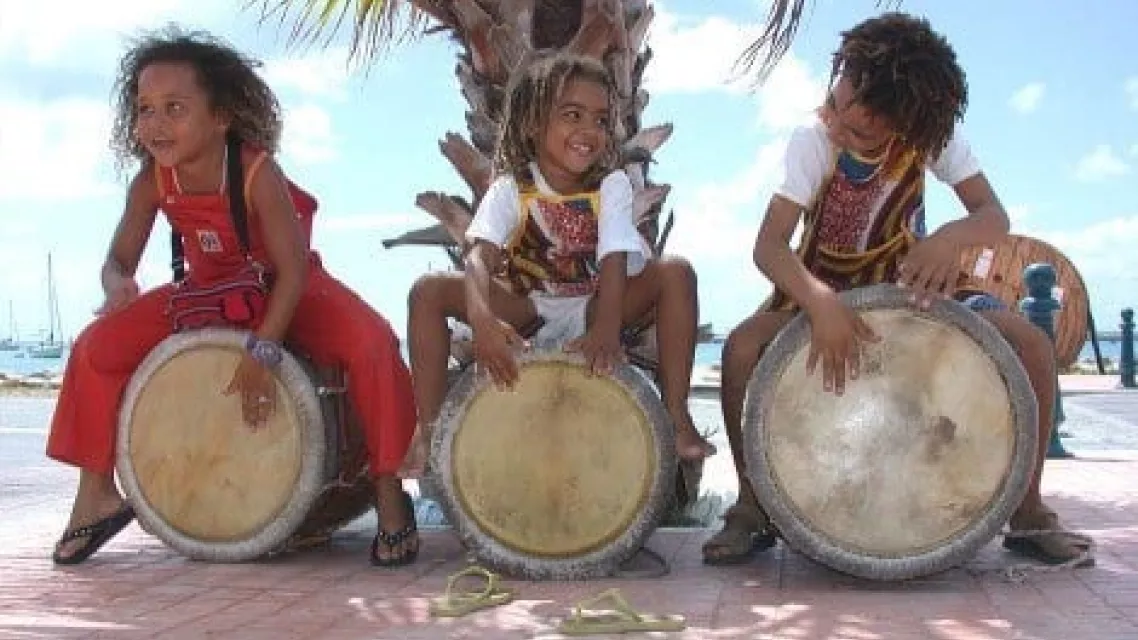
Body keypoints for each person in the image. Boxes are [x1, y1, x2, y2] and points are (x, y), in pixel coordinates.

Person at [702, 12, 1094, 567]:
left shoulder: (932, 138)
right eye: (834, 103)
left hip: (912, 295)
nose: (837, 123)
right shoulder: (814, 141)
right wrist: (819, 302)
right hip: (823, 295)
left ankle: (1027, 511)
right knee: (743, 346)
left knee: (1029, 343)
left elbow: (994, 215)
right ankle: (751, 507)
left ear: (907, 125)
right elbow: (769, 247)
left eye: (858, 128)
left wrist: (952, 239)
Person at [47, 27, 419, 567]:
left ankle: (389, 494)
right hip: (206, 292)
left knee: (373, 342)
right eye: (145, 109)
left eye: (175, 107)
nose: (156, 123)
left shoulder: (256, 172)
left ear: (220, 116)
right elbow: (118, 259)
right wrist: (117, 286)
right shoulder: (153, 180)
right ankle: (96, 495)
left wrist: (262, 351)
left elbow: (292, 274)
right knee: (94, 347)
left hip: (289, 287)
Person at [401, 52, 715, 475]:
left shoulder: (612, 185)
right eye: (573, 115)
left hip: (594, 304)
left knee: (677, 272)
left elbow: (614, 255)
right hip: (527, 307)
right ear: (533, 123)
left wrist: (606, 329)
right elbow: (478, 258)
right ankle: (430, 429)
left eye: (601, 120)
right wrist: (483, 323)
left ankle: (676, 415)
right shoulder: (512, 188)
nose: (590, 131)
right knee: (428, 291)